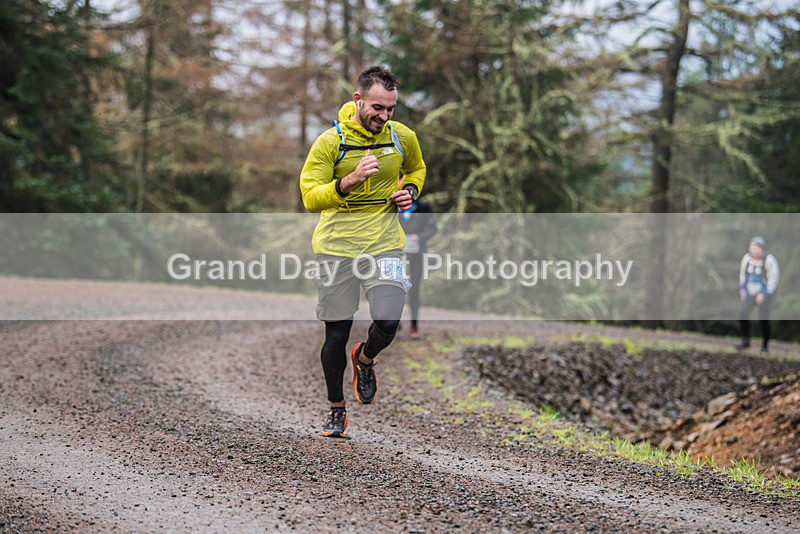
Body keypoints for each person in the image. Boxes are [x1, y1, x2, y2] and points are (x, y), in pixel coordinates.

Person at [299, 66, 426, 438]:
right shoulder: (330, 143)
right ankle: (336, 411)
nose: (384, 117)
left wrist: (411, 192)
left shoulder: (401, 137)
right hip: (336, 248)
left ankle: (365, 357)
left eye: (390, 109)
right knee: (335, 335)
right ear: (358, 100)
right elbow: (310, 197)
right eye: (377, 108)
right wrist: (348, 181)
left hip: (384, 242)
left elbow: (416, 168)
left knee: (389, 321)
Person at [399, 196, 437, 339]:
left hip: (417, 255)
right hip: (397, 254)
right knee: (395, 288)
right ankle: (393, 322)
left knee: (414, 290)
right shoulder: (393, 205)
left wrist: (419, 237)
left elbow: (432, 228)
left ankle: (414, 325)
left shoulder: (423, 207)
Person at [736, 236, 780, 353]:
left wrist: (764, 294)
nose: (753, 251)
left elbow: (773, 279)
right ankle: (745, 339)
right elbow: (742, 275)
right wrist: (743, 289)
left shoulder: (769, 260)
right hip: (750, 292)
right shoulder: (746, 259)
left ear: (761, 249)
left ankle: (764, 346)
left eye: (755, 248)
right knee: (743, 313)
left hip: (764, 294)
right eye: (751, 248)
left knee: (763, 320)